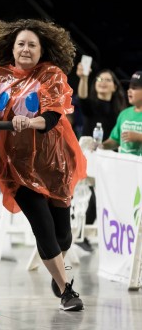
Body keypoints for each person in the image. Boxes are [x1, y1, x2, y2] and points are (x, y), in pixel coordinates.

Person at [0, 19, 87, 311]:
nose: (26, 49)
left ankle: (57, 272)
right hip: (15, 166)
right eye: (21, 43)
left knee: (63, 235)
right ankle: (66, 289)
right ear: (11, 46)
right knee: (42, 227)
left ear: (42, 49)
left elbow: (53, 116)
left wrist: (30, 121)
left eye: (32, 44)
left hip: (55, 163)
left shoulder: (51, 74)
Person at [75, 64, 127, 251]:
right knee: (93, 194)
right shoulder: (91, 105)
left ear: (114, 86)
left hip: (112, 157)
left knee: (108, 195)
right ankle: (80, 233)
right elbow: (81, 98)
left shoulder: (122, 110)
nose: (103, 83)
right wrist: (83, 77)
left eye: (107, 80)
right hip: (91, 157)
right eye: (99, 80)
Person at [101, 70, 142, 155]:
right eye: (129, 87)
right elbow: (115, 140)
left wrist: (139, 137)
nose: (129, 90)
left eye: (134, 88)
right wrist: (100, 146)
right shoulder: (124, 113)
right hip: (124, 165)